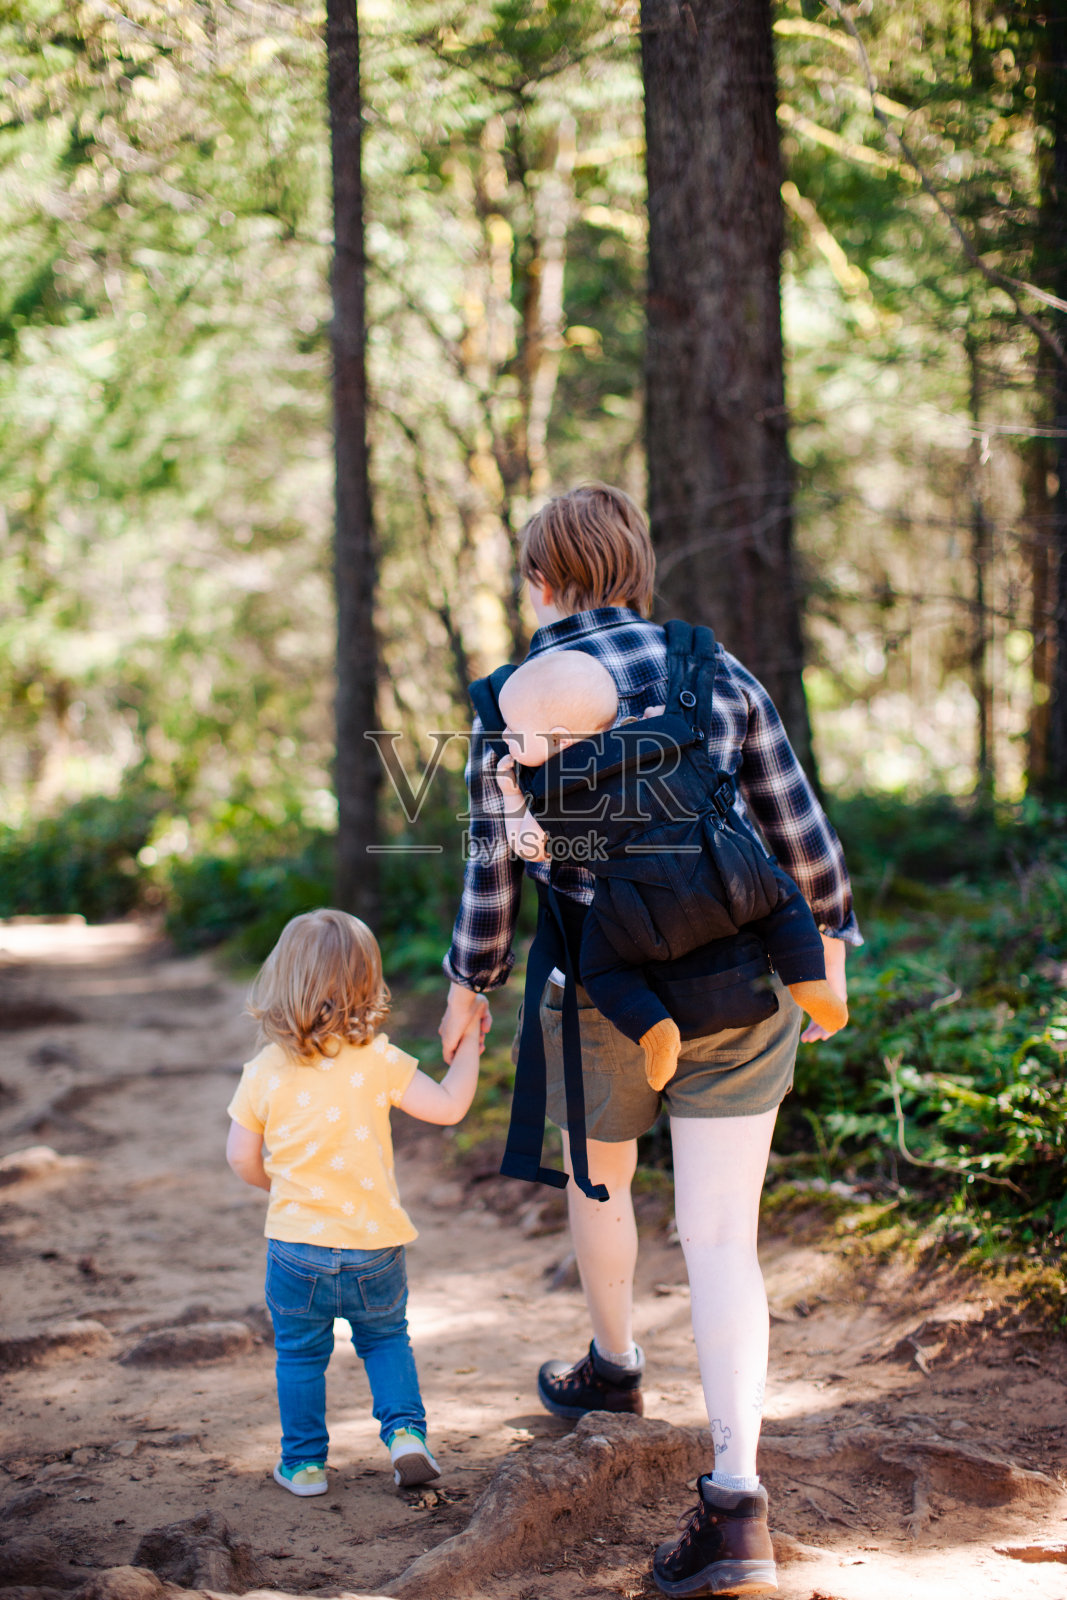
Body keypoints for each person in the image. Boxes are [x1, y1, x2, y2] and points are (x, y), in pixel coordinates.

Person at [439, 484, 860, 1598]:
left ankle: (613, 1365)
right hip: (743, 977)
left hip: (602, 987)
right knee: (723, 1241)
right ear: (635, 570)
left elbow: (493, 862)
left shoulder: (515, 699)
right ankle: (735, 1505)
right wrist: (831, 933)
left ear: (539, 582)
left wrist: (468, 980)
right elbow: (794, 821)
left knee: (604, 1180)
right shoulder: (711, 669)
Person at [492, 647, 848, 1092]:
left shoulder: (558, 794)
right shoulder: (662, 739)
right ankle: (808, 979)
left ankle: (655, 1029)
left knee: (599, 971)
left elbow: (531, 850)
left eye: (514, 730)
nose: (503, 735)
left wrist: (510, 796)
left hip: (636, 918)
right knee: (782, 899)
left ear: (560, 740)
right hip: (725, 878)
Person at [226, 908, 483, 1498]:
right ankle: (406, 1436)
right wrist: (468, 1044)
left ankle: (305, 1464)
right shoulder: (379, 1061)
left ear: (283, 980)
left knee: (298, 1356)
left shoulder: (264, 1070)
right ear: (368, 983)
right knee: (386, 1338)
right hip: (374, 1248)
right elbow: (448, 1107)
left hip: (296, 1249)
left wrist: (281, 1187)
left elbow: (241, 1158)